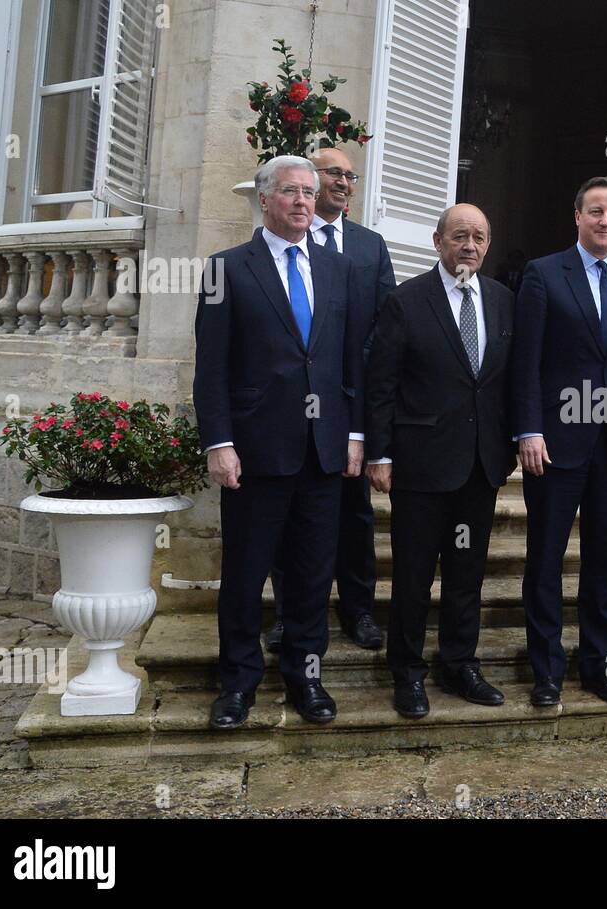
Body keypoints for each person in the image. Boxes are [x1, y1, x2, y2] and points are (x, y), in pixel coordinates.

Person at [194, 155, 365, 729]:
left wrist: (354, 434)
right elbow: (211, 368)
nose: (301, 202)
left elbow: (346, 362)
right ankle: (238, 684)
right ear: (264, 199)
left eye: (308, 193)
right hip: (255, 453)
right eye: (289, 192)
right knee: (245, 575)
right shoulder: (228, 268)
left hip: (323, 451)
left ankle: (305, 678)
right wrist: (219, 442)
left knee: (314, 574)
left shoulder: (338, 269)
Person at [512, 177, 607, 707]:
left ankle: (601, 666)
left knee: (604, 562)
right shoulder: (544, 274)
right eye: (595, 211)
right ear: (577, 216)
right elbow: (525, 360)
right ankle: (546, 670)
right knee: (546, 557)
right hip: (555, 441)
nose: (605, 221)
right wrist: (528, 429)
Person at [364, 204, 515, 718]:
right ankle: (406, 672)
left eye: (478, 236)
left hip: (480, 465)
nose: (468, 245)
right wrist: (379, 453)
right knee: (413, 574)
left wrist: (513, 443)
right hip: (420, 465)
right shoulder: (405, 302)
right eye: (458, 236)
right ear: (437, 242)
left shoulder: (502, 301)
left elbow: (506, 382)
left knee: (467, 572)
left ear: (488, 245)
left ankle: (460, 663)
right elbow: (381, 384)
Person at [265, 145, 396, 654]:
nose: (343, 183)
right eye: (333, 174)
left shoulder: (369, 246)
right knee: (288, 515)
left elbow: (384, 325)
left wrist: (356, 382)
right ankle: (291, 611)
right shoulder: (275, 247)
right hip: (293, 408)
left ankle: (358, 609)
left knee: (354, 514)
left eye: (349, 176)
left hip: (351, 403)